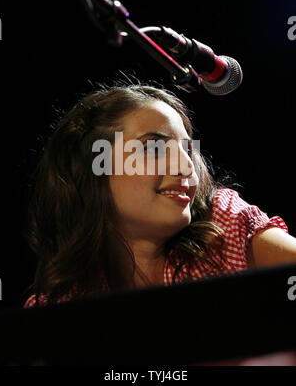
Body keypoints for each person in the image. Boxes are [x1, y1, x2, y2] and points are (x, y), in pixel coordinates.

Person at [24, 83, 296, 308]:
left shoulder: (225, 225)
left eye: (188, 151)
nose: (187, 166)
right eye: (154, 148)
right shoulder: (54, 309)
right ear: (92, 166)